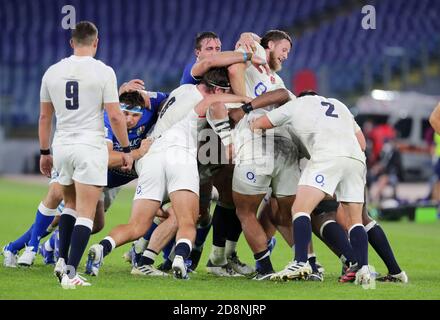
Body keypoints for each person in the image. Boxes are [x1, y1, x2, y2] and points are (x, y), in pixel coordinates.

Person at [86, 68, 249, 279]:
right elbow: (214, 104)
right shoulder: (200, 101)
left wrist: (123, 89)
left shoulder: (181, 91)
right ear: (218, 90)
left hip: (151, 155)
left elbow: (146, 98)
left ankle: (105, 249)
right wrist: (244, 103)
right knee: (189, 218)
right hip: (179, 156)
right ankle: (180, 260)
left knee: (138, 225)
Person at [39, 21, 133, 289]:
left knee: (70, 205)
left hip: (62, 145)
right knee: (86, 213)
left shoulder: (52, 72)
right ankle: (70, 275)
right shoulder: (103, 71)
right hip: (89, 145)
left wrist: (45, 151)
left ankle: (60, 263)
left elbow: (45, 116)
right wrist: (126, 149)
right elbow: (115, 115)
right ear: (96, 42)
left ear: (71, 43)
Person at [251, 91, 372, 285]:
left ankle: (301, 262)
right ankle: (363, 268)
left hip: (327, 155)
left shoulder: (295, 105)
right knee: (354, 220)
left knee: (300, 209)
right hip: (356, 159)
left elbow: (260, 124)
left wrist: (250, 125)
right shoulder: (338, 103)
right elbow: (362, 143)